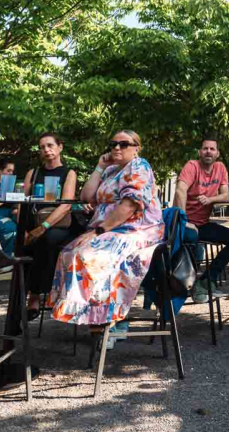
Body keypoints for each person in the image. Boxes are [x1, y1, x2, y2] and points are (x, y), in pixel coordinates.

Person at [50, 130, 164, 336]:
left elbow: (130, 206)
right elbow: (86, 196)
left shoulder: (139, 166)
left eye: (124, 144)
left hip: (135, 229)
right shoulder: (111, 170)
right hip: (110, 229)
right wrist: (99, 167)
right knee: (69, 252)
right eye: (113, 144)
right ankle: (95, 318)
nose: (117, 148)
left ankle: (105, 321)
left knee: (89, 257)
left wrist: (99, 231)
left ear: (136, 148)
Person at [174, 139, 229, 303]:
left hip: (203, 224)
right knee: (192, 240)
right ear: (200, 152)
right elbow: (180, 191)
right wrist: (183, 221)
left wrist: (210, 199)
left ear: (217, 153)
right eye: (205, 148)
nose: (208, 151)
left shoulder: (220, 168)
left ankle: (207, 279)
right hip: (185, 223)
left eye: (212, 149)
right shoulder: (192, 166)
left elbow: (225, 195)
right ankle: (187, 287)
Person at [17, 133, 78, 320]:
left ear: (60, 147)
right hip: (32, 221)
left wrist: (42, 227)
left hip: (56, 225)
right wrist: (22, 228)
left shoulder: (68, 173)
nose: (46, 150)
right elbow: (21, 202)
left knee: (46, 240)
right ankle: (17, 300)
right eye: (42, 147)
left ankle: (35, 295)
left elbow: (66, 205)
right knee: (21, 244)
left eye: (50, 145)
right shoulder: (34, 173)